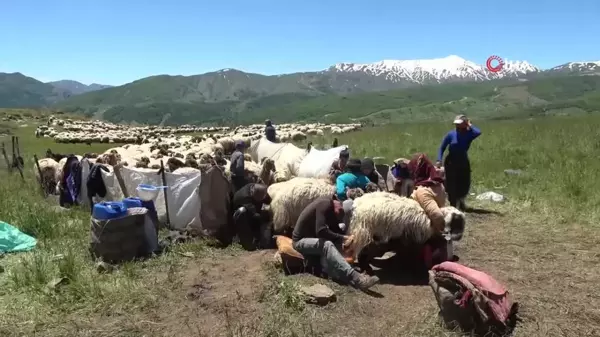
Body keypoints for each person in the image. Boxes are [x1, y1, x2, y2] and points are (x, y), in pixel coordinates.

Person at [292, 196, 380, 290]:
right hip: (300, 241)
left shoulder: (332, 211)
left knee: (339, 234)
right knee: (327, 245)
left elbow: (336, 231)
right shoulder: (325, 203)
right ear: (338, 204)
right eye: (340, 211)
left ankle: (346, 270)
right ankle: (357, 279)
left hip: (312, 239)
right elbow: (320, 231)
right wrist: (343, 238)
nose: (339, 215)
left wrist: (348, 242)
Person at [436, 115, 481, 211]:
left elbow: (478, 132)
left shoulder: (469, 134)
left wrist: (469, 124)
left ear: (464, 124)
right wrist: (439, 160)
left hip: (463, 161)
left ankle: (461, 202)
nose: (457, 126)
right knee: (451, 183)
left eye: (459, 124)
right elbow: (442, 147)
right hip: (451, 161)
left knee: (464, 182)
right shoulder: (451, 134)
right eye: (456, 124)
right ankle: (453, 205)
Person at [408, 153, 447, 234]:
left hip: (426, 231)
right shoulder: (437, 183)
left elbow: (437, 215)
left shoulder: (422, 191)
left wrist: (441, 231)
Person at [232, 183, 272, 250]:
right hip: (241, 215)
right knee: (243, 214)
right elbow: (255, 215)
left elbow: (264, 198)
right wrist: (266, 216)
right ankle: (248, 242)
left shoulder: (254, 187)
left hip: (251, 208)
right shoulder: (245, 199)